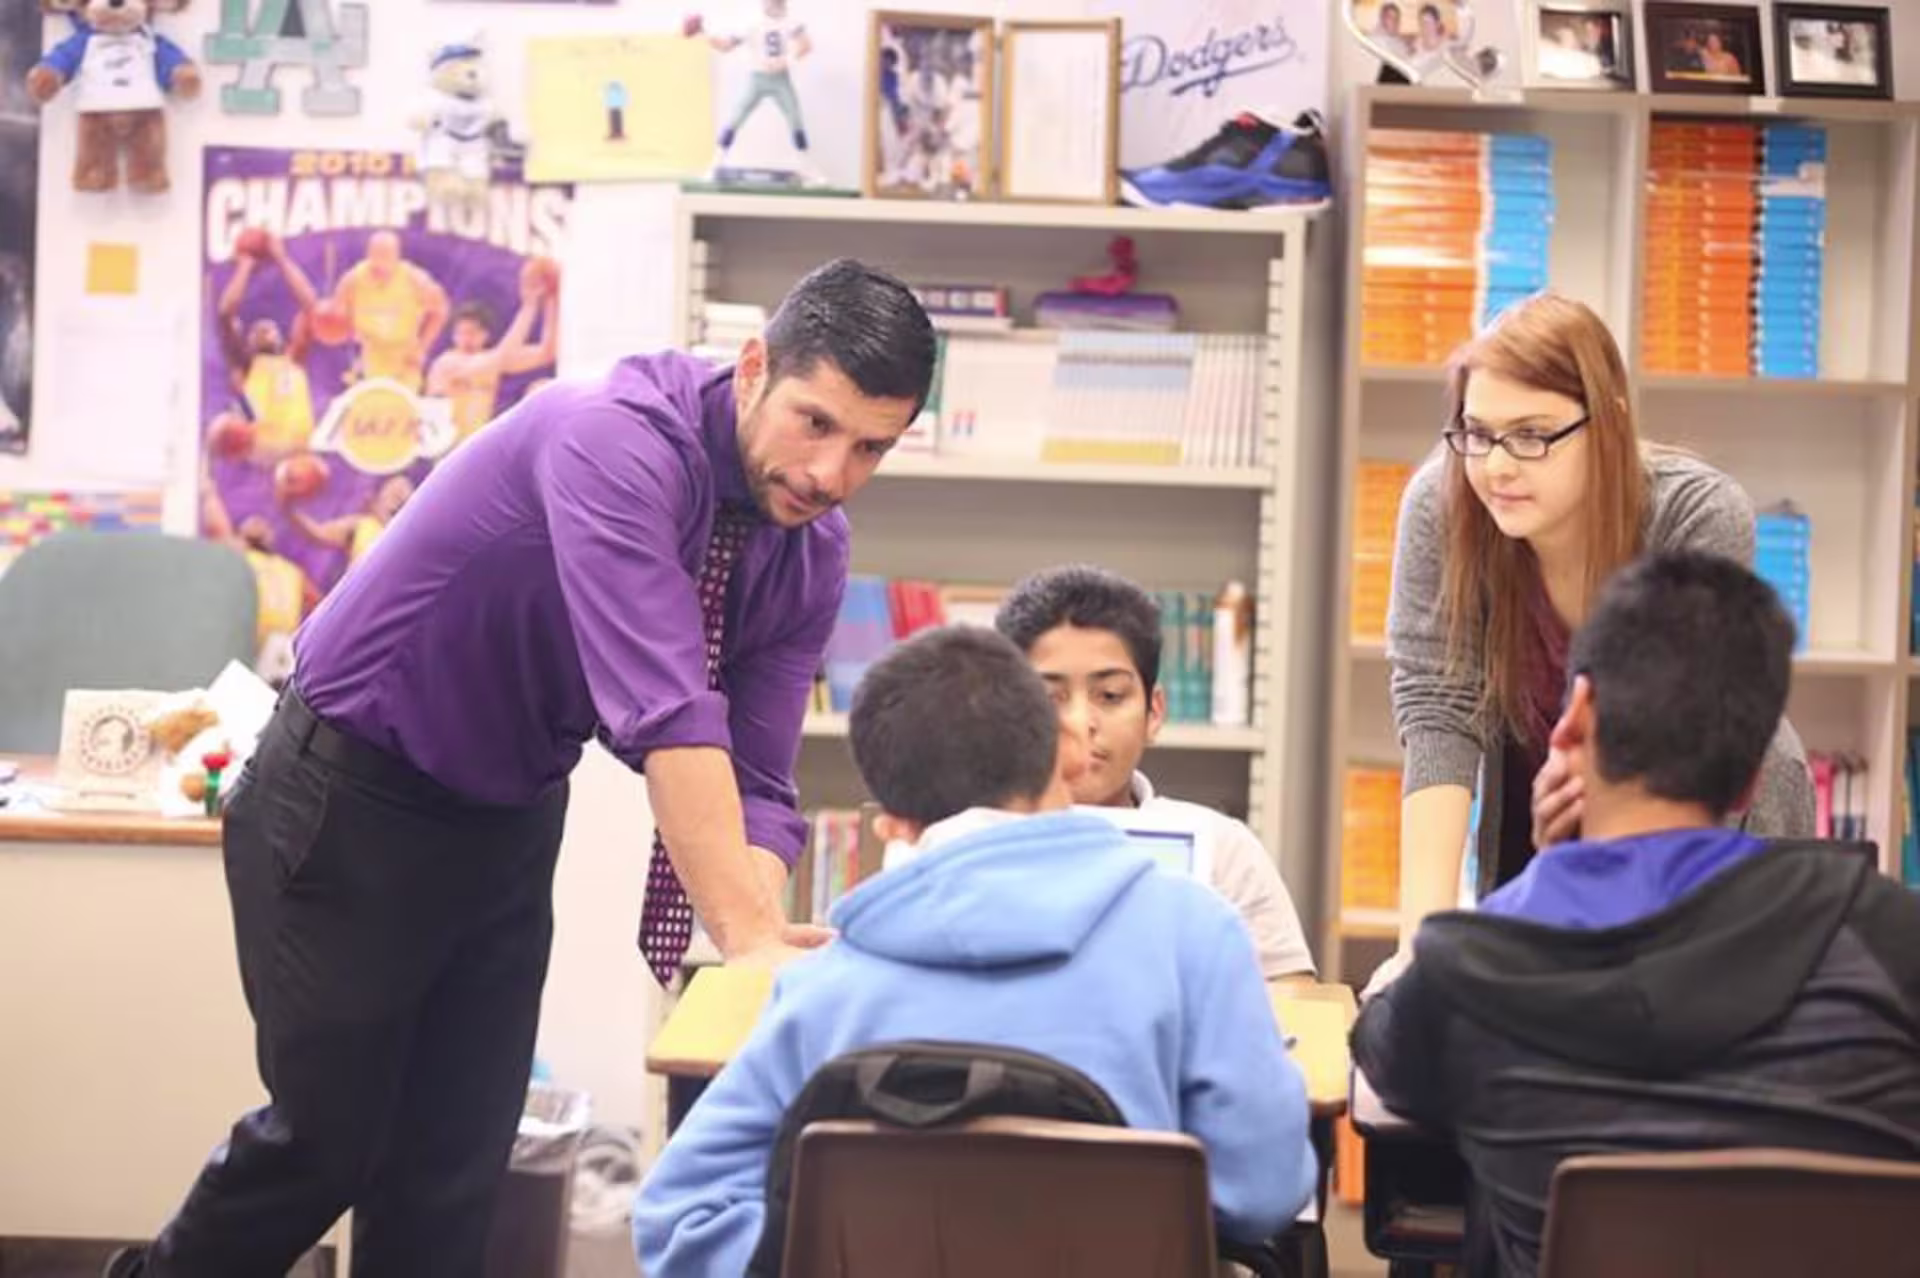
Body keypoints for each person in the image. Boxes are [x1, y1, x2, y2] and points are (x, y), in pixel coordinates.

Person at [110, 259, 937, 1278]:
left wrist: (754, 940)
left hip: (509, 815)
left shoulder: (810, 550)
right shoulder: (617, 439)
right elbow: (670, 715)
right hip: (349, 793)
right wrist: (749, 937)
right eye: (816, 424)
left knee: (453, 1172)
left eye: (870, 448)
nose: (829, 474)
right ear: (755, 364)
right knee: (326, 1144)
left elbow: (758, 781)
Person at [635, 626, 1316, 1276]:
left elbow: (678, 1223)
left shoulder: (821, 993)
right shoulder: (1196, 935)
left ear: (892, 825)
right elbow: (1264, 1190)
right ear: (1068, 752)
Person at [1353, 551, 1920, 1278]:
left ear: (1576, 719)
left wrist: (1550, 875)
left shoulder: (1467, 974)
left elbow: (1384, 1056)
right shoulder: (1888, 942)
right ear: (1753, 777)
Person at [1381, 291, 1813, 974]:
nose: (1497, 466)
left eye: (1532, 435)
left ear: (1607, 423)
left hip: (1702, 825)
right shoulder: (1445, 504)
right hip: (1540, 812)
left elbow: (1677, 744)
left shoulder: (1695, 511)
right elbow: (1439, 713)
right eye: (1477, 432)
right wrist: (1419, 944)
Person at [994, 564, 1316, 985]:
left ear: (1154, 713)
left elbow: (1294, 1008)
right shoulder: (966, 840)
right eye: (1049, 698)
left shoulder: (1223, 850)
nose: (1080, 722)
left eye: (1110, 695)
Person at [216, 230, 320, 464]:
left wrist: (283, 260)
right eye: (257, 330)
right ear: (247, 343)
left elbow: (311, 307)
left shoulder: (294, 359)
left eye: (271, 329)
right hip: (261, 450)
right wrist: (245, 267)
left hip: (298, 454)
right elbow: (225, 313)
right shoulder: (246, 365)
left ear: (281, 340)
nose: (265, 330)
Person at [424, 267, 559, 446]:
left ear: (485, 335)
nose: (466, 338)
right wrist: (529, 306)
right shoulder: (446, 362)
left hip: (475, 445)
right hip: (442, 447)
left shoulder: (490, 360)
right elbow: (500, 358)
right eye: (461, 333)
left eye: (472, 332)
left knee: (539, 387)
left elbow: (547, 352)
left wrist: (551, 300)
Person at [323, 229, 449, 393]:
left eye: (387, 253)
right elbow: (336, 316)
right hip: (369, 353)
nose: (381, 259)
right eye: (377, 253)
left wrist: (422, 347)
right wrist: (331, 322)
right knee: (369, 402)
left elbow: (440, 310)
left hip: (404, 355)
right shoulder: (352, 280)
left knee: (401, 403)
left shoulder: (415, 279)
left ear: (397, 254)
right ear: (368, 253)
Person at [286, 472, 417, 570]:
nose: (398, 496)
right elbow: (318, 533)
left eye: (402, 495)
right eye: (393, 492)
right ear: (376, 497)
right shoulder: (362, 525)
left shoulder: (411, 537)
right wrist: (289, 509)